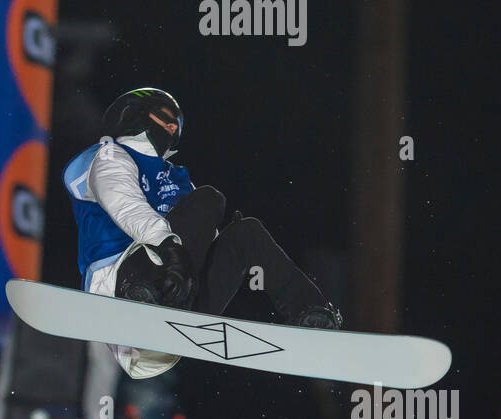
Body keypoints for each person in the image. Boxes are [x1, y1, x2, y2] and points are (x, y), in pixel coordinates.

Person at [64, 87, 340, 382]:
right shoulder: (110, 155)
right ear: (134, 115)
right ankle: (148, 298)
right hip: (123, 289)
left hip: (173, 304)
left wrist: (219, 240)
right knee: (210, 200)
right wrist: (169, 246)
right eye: (166, 118)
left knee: (246, 233)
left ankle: (312, 315)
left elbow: (196, 236)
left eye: (177, 125)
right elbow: (123, 202)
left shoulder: (177, 177)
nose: (172, 128)